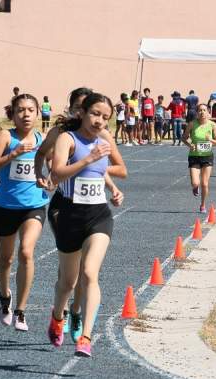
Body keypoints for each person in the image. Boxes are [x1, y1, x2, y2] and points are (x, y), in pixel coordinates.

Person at [39, 87, 125, 342]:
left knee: (89, 273)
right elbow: (56, 173)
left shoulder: (104, 141)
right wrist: (87, 159)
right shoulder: (66, 137)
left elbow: (109, 170)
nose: (99, 121)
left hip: (98, 214)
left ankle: (86, 336)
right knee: (68, 280)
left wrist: (113, 189)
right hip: (68, 212)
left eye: (105, 117)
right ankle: (58, 315)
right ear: (82, 113)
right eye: (95, 114)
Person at [0, 93, 48, 332]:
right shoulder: (5, 136)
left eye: (31, 110)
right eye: (21, 110)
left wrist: (49, 180)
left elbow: (51, 167)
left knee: (26, 252)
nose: (26, 115)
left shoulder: (42, 139)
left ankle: (21, 310)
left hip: (34, 206)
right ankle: (5, 296)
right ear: (13, 113)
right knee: (5, 259)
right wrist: (14, 154)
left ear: (38, 112)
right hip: (5, 206)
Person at [182, 103, 216, 213]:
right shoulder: (192, 124)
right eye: (200, 110)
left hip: (207, 156)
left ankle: (203, 205)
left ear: (208, 112)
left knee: (204, 183)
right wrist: (190, 145)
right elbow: (184, 138)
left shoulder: (212, 125)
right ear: (197, 113)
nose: (202, 112)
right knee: (195, 182)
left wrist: (210, 140)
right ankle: (195, 187)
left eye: (204, 110)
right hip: (194, 156)